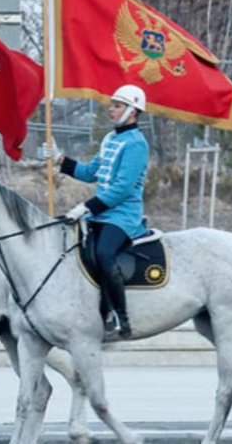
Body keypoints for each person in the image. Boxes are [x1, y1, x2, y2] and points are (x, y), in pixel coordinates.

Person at [39, 84, 149, 339]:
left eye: (117, 105)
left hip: (123, 215)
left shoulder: (136, 144)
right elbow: (90, 173)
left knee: (103, 252)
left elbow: (122, 189)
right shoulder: (111, 139)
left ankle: (119, 316)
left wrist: (86, 207)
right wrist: (59, 159)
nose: (111, 109)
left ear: (132, 111)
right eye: (111, 104)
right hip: (99, 213)